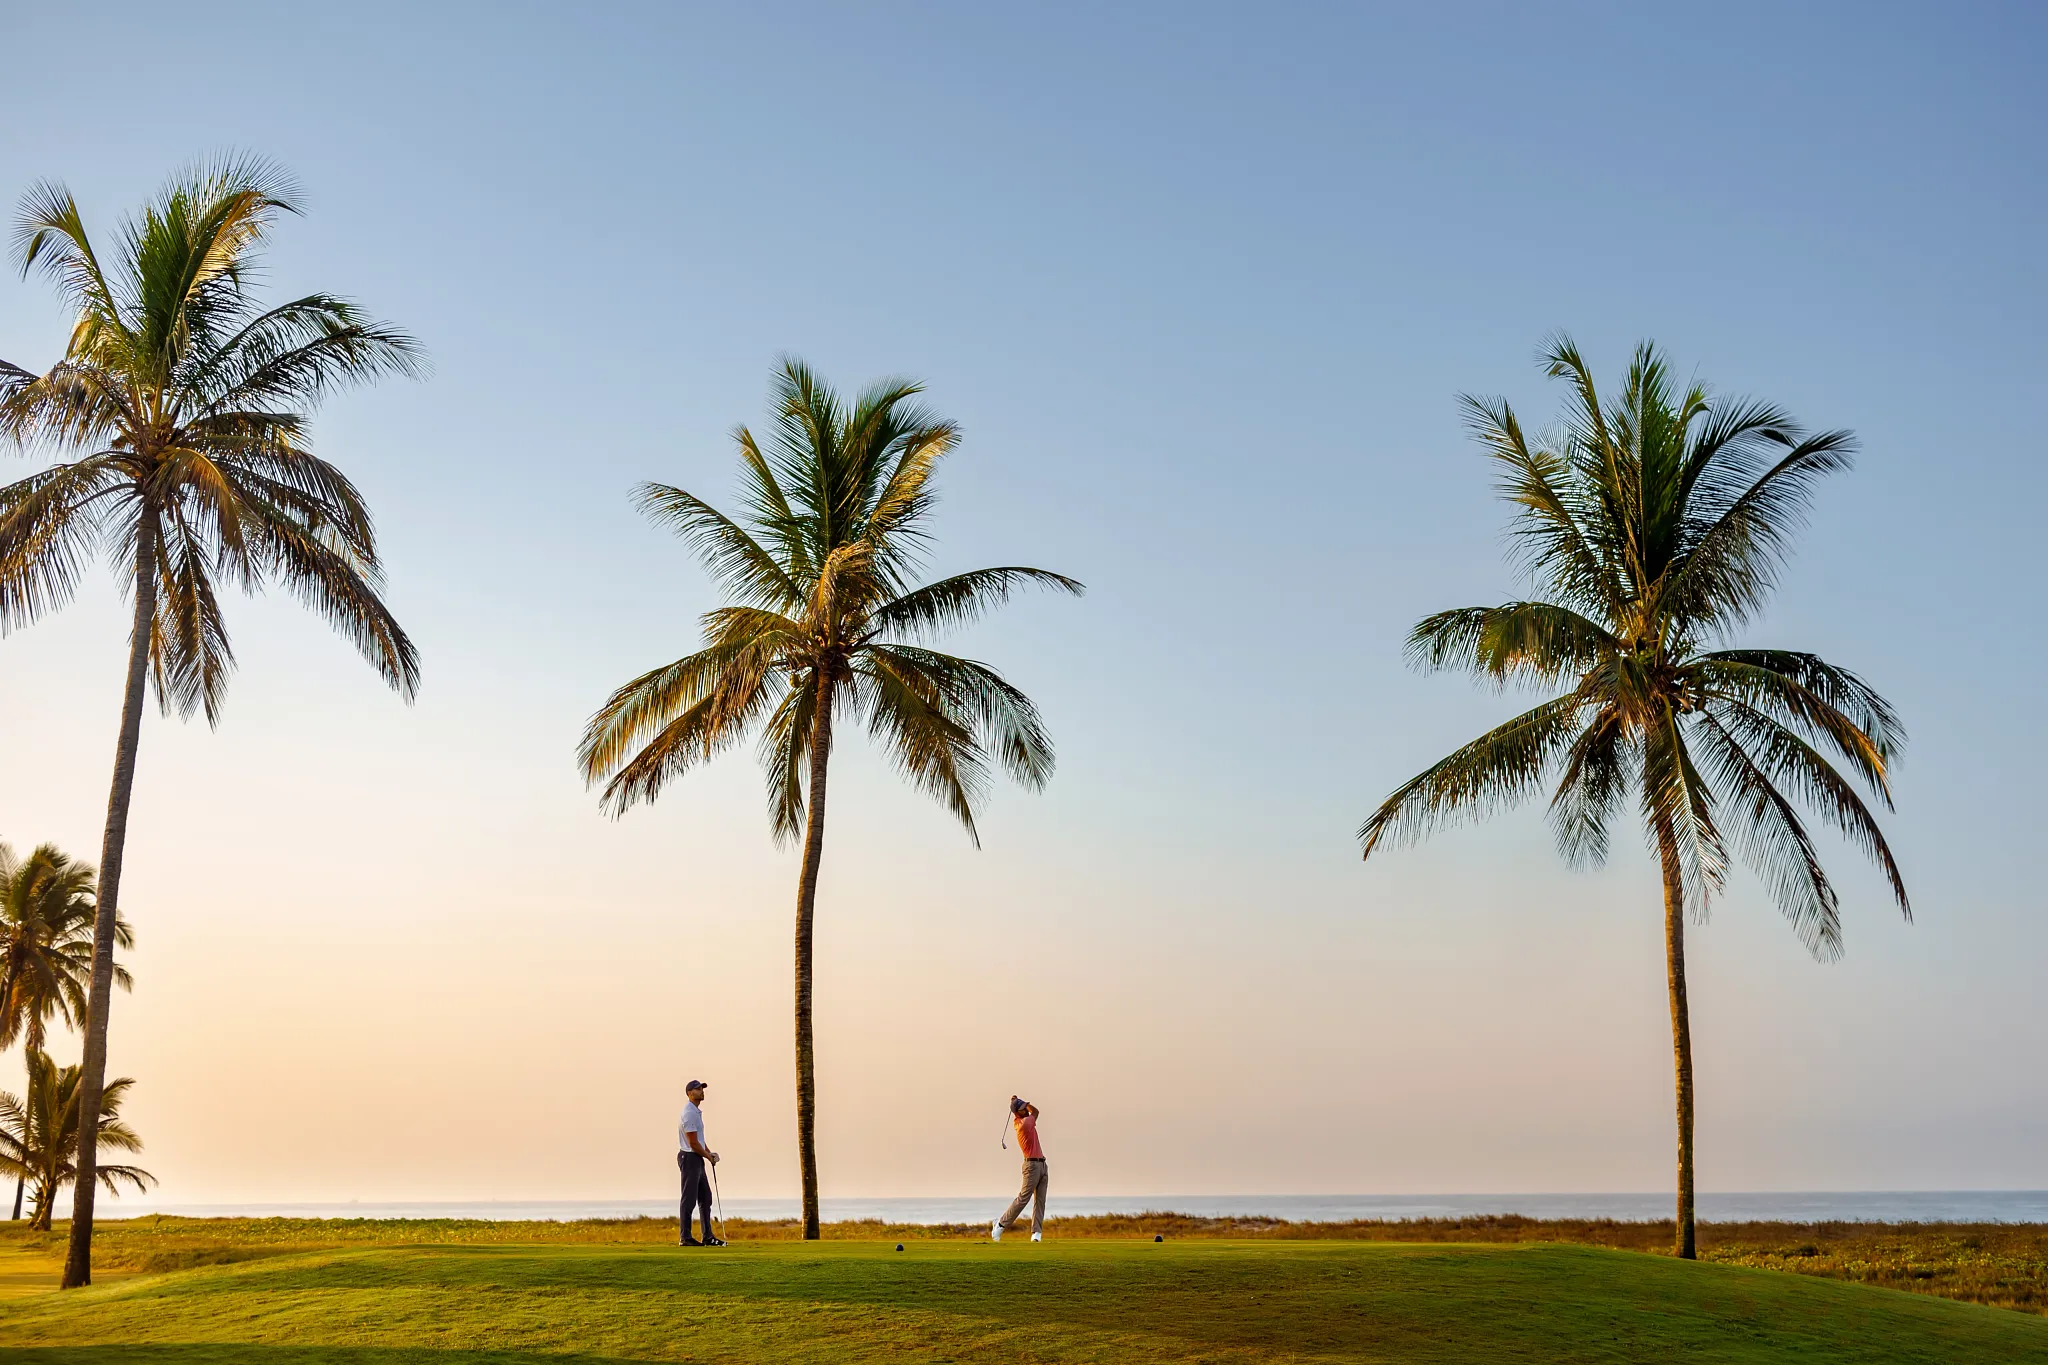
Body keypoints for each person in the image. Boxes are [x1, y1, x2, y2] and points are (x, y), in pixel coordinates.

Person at [992, 1095, 1048, 1242]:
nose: (1026, 1111)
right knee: (1024, 1198)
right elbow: (1035, 1111)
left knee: (1040, 1200)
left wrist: (1018, 1102)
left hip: (1041, 1164)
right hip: (1032, 1166)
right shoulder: (1024, 1124)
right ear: (1017, 1113)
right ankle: (1000, 1225)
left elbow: (1030, 1112)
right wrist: (1025, 1103)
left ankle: (1036, 1234)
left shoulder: (1022, 1120)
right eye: (1023, 1109)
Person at [678, 1079, 723, 1247]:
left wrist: (708, 1153)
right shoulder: (689, 1113)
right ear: (690, 1093)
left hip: (696, 1157)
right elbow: (693, 1143)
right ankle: (685, 1237)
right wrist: (707, 1156)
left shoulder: (695, 1112)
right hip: (689, 1158)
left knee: (705, 1197)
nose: (701, 1091)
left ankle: (708, 1236)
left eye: (701, 1088)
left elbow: (700, 1141)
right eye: (697, 1089)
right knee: (688, 1199)